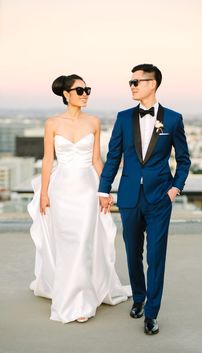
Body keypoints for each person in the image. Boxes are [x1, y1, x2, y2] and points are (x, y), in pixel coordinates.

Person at [28, 74, 131, 324]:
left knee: (84, 243)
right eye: (80, 90)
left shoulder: (93, 122)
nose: (85, 94)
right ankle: (66, 294)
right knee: (67, 244)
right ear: (66, 94)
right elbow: (48, 160)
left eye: (88, 90)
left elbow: (97, 160)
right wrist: (43, 193)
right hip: (60, 190)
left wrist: (105, 191)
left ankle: (82, 300)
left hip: (87, 189)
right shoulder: (52, 123)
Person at [98, 64, 191, 335]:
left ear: (153, 84)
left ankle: (151, 312)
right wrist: (104, 190)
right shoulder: (123, 117)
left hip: (160, 197)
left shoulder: (173, 119)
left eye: (137, 81)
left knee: (156, 256)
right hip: (128, 196)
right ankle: (138, 297)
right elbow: (114, 156)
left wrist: (175, 189)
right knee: (132, 252)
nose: (132, 86)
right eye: (130, 82)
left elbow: (183, 160)